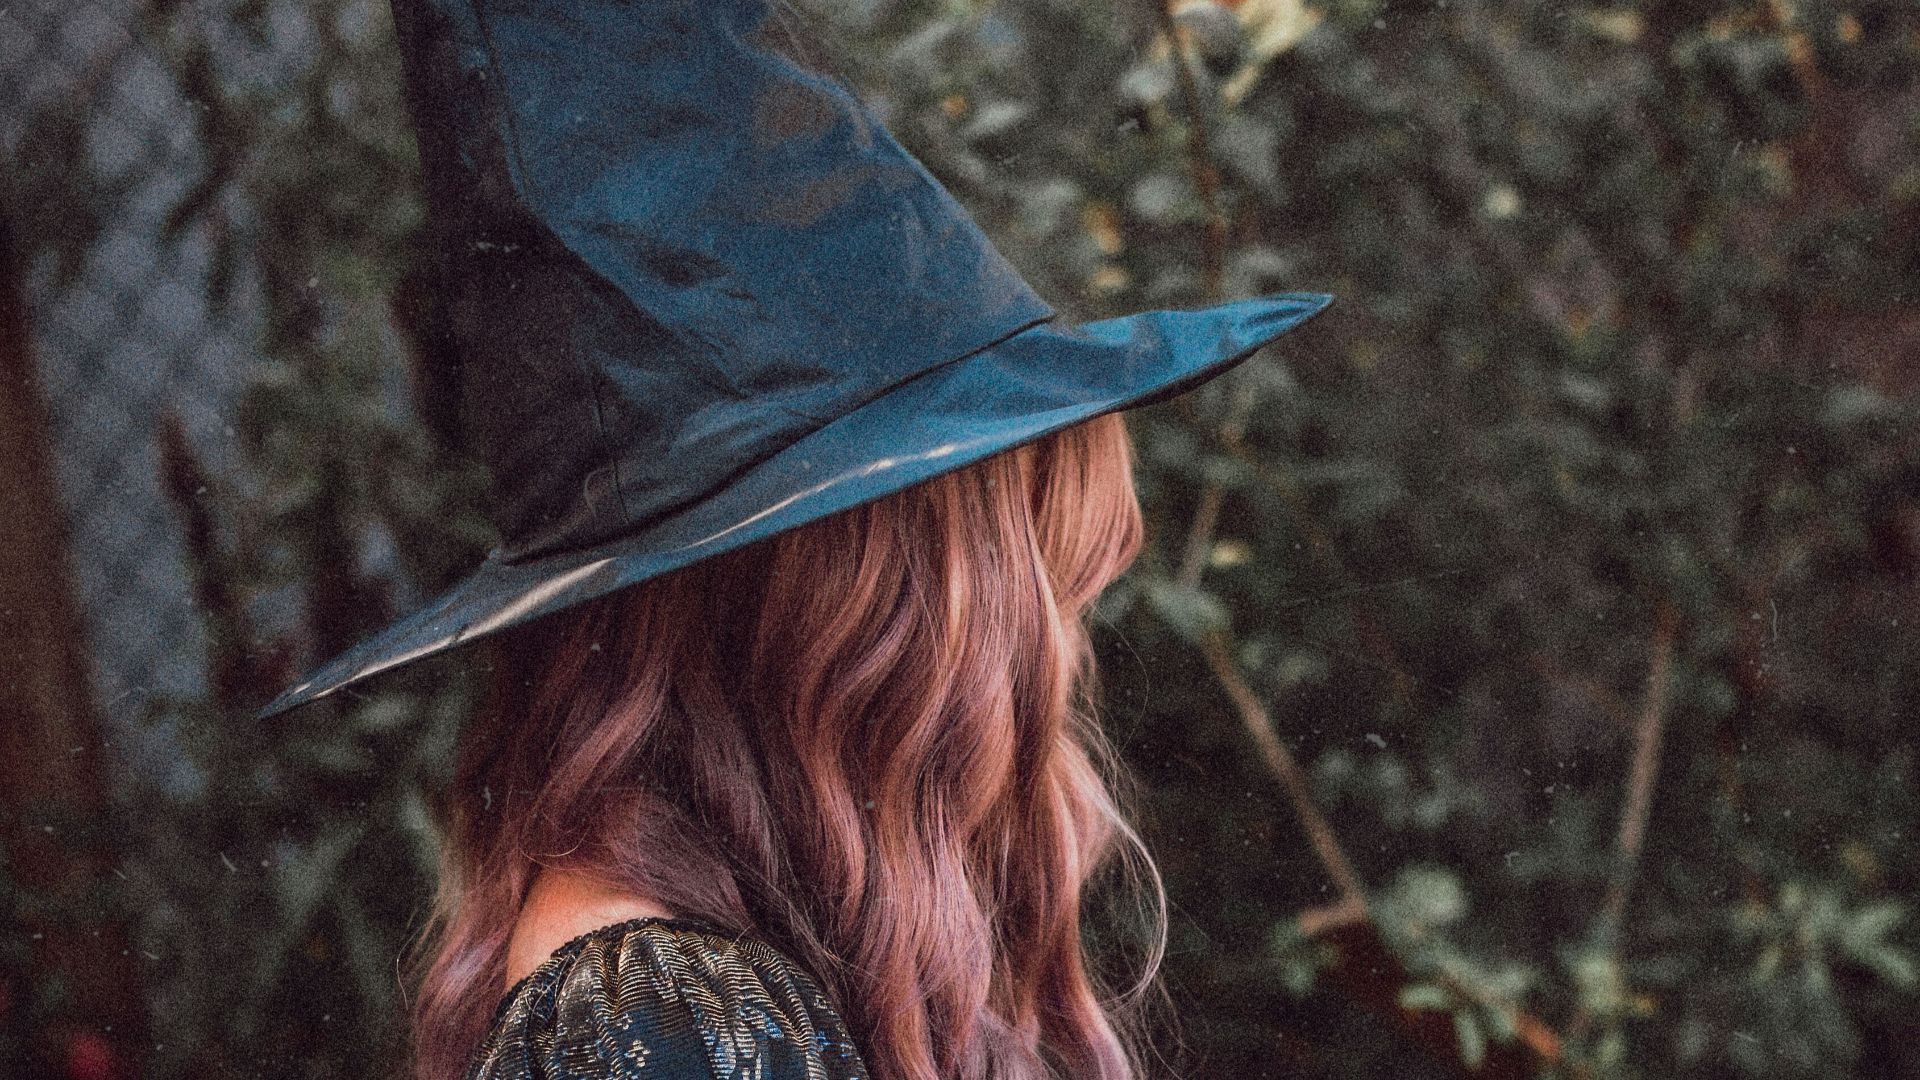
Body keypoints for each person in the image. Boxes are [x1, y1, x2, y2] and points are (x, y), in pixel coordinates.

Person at [255, 0, 1330, 1076]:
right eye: (1044, 581)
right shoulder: (666, 1029)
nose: (1056, 648)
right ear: (878, 612)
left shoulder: (686, 991)